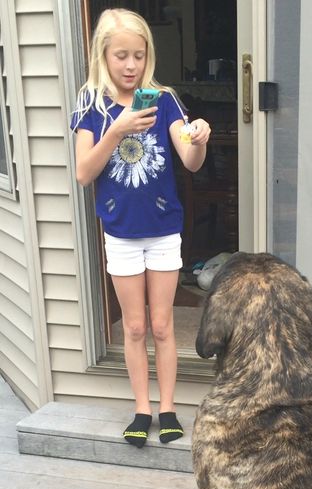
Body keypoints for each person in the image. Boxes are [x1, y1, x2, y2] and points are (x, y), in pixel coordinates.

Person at [71, 8, 211, 447]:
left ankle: (167, 407)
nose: (131, 65)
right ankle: (141, 409)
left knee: (164, 325)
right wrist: (116, 130)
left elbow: (189, 161)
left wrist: (199, 140)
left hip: (164, 230)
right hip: (121, 233)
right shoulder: (91, 106)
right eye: (121, 56)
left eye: (138, 55)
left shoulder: (163, 99)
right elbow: (83, 173)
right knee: (134, 327)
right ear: (103, 56)